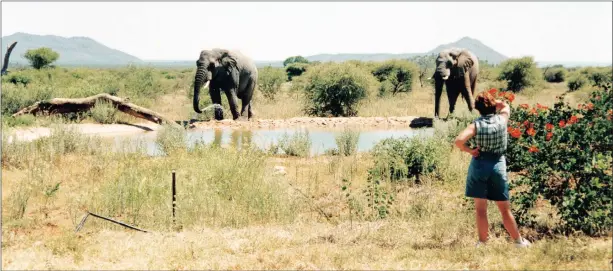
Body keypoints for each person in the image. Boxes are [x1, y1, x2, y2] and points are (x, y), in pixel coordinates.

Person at [454, 91, 531, 248]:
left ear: (477, 108)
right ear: (493, 105)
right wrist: (493, 102)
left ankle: (482, 243)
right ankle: (518, 241)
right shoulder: (502, 119)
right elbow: (505, 105)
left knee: (481, 209)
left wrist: (471, 151)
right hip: (498, 165)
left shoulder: (475, 125)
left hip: (480, 165)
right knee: (504, 209)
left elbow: (459, 141)